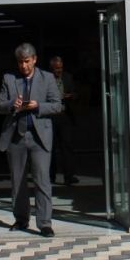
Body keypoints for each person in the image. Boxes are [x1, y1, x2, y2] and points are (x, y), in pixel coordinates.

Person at [0, 42, 63, 237]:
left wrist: (38, 106)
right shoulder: (9, 79)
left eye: (26, 61)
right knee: (18, 181)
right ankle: (21, 219)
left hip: (39, 137)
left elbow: (57, 105)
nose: (23, 66)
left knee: (42, 180)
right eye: (20, 62)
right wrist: (12, 104)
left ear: (34, 60)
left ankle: (44, 223)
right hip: (16, 136)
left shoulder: (47, 78)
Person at [48, 56, 78, 186]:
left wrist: (70, 96)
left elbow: (75, 93)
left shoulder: (67, 77)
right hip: (51, 116)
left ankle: (69, 176)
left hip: (65, 115)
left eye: (60, 68)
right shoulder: (47, 79)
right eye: (56, 69)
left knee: (67, 146)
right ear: (52, 68)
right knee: (51, 147)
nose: (58, 71)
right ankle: (51, 175)